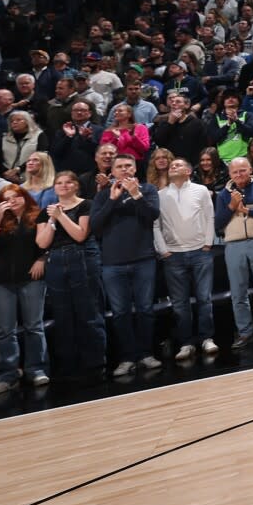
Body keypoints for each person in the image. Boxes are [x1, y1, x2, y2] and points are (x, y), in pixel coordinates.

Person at [92, 154, 163, 378]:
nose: (124, 169)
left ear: (135, 169)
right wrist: (112, 201)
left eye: (128, 166)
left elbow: (152, 215)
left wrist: (136, 195)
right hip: (112, 263)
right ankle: (127, 357)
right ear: (112, 172)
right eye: (120, 167)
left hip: (144, 259)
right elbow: (95, 226)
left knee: (145, 310)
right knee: (120, 313)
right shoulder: (104, 195)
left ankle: (146, 353)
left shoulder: (148, 190)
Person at [37, 170, 107, 383]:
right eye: (59, 182)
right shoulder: (46, 212)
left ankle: (96, 363)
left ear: (76, 185)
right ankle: (70, 364)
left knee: (89, 312)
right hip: (56, 261)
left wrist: (61, 216)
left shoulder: (86, 204)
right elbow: (42, 243)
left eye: (69, 182)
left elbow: (79, 235)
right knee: (63, 314)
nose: (64, 186)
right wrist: (52, 219)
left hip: (82, 258)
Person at [0, 183, 49, 394]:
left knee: (34, 326)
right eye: (7, 198)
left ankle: (36, 369)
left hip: (30, 276)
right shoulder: (1, 220)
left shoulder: (38, 215)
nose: (13, 201)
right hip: (1, 279)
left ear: (25, 197)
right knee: (5, 330)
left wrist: (42, 259)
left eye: (17, 196)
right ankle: (7, 374)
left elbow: (48, 242)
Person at [155, 157, 218, 361]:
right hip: (173, 255)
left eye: (179, 165)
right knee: (179, 304)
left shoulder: (200, 190)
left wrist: (208, 242)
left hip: (200, 251)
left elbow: (210, 216)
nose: (174, 167)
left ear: (189, 171)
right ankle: (186, 342)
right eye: (172, 165)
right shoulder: (160, 195)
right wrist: (163, 249)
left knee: (204, 299)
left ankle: (206, 338)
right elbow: (156, 225)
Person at [215, 157, 253, 347]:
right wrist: (232, 207)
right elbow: (218, 224)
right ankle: (244, 332)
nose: (239, 175)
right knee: (238, 293)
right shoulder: (223, 194)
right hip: (234, 246)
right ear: (230, 174)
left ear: (250, 169)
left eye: (242, 170)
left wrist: (248, 211)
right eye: (235, 172)